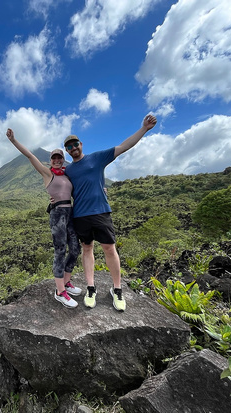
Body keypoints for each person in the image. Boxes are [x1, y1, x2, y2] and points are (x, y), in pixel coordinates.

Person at [63, 114, 157, 311]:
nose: (73, 148)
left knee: (109, 248)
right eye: (69, 147)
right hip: (80, 215)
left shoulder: (97, 158)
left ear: (81, 144)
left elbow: (123, 146)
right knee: (87, 249)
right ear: (66, 151)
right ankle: (91, 287)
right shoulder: (68, 170)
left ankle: (117, 289)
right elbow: (57, 183)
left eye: (75, 144)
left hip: (100, 212)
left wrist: (144, 129)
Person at [6, 128, 82, 308]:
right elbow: (30, 156)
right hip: (57, 215)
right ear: (50, 160)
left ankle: (67, 282)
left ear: (63, 160)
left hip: (70, 213)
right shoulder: (48, 174)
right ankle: (59, 291)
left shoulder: (68, 174)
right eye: (54, 158)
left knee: (75, 249)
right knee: (60, 251)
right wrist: (14, 141)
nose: (56, 160)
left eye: (59, 158)